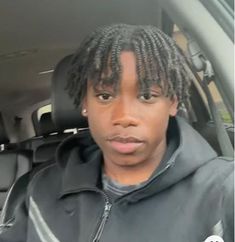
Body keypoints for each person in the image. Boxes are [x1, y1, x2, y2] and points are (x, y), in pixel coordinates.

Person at [0, 24, 233, 242]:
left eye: (146, 96)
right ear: (85, 104)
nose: (123, 116)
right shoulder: (40, 190)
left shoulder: (223, 192)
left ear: (172, 103)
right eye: (104, 96)